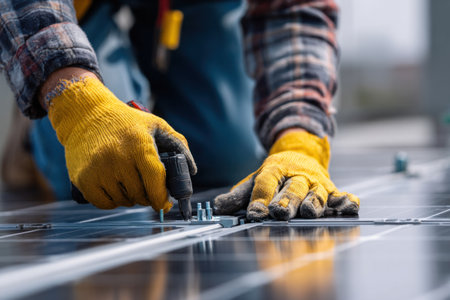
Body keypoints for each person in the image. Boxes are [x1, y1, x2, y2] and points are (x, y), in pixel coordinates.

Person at [0, 0, 359, 220]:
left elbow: (293, 11)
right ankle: (38, 129)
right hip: (75, 6)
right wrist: (76, 101)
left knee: (231, 156)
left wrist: (300, 141)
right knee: (103, 174)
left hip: (194, 5)